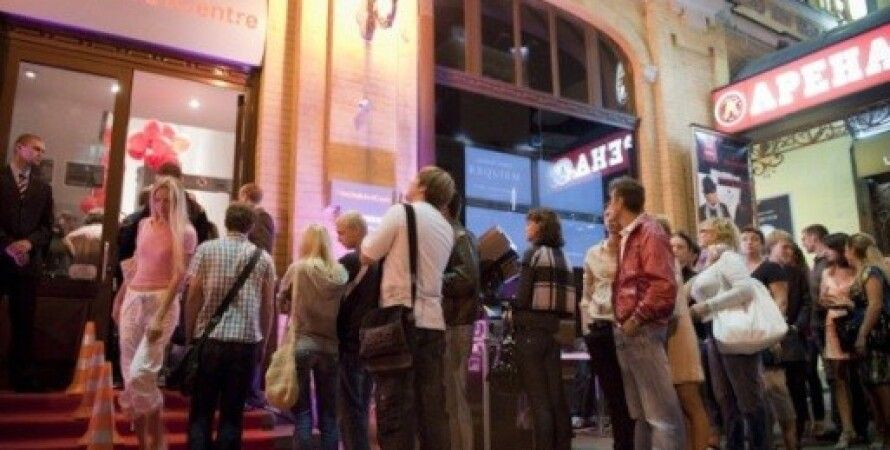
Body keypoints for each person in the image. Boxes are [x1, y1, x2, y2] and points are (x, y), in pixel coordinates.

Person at [360, 166, 456, 450]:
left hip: (401, 322)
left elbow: (367, 253)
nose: (409, 182)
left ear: (423, 187)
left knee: (394, 407)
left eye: (414, 178)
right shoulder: (446, 228)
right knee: (431, 409)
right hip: (434, 323)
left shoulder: (401, 212)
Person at [113, 176, 197, 450]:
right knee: (130, 375)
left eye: (167, 200)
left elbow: (179, 275)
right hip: (133, 296)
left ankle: (158, 436)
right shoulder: (143, 225)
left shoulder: (185, 232)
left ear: (177, 202)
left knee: (142, 373)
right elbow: (136, 263)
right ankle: (144, 443)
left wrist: (160, 315)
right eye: (156, 199)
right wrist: (120, 297)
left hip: (162, 300)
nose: (160, 205)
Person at [184, 202, 276, 450]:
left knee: (201, 411)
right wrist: (264, 341)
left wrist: (190, 335)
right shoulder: (264, 259)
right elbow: (267, 307)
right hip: (245, 343)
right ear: (251, 226)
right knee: (233, 414)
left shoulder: (205, 250)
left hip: (209, 340)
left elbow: (194, 296)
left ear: (226, 222)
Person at [605, 176, 685, 450]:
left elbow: (663, 286)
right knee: (641, 416)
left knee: (661, 417)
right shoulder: (630, 235)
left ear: (619, 201)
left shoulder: (650, 232)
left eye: (611, 200)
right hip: (630, 330)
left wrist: (636, 318)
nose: (609, 207)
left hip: (643, 330)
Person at [690, 218, 768, 450]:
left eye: (705, 230)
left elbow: (745, 290)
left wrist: (708, 306)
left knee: (748, 397)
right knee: (725, 398)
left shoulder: (729, 257)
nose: (700, 234)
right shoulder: (710, 260)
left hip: (733, 331)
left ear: (719, 233)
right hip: (715, 331)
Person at [512, 208, 575, 450]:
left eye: (529, 223)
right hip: (553, 333)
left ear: (540, 226)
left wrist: (508, 301)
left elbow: (522, 297)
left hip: (530, 333)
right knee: (555, 399)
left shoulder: (533, 253)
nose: (526, 228)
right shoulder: (563, 257)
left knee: (539, 403)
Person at [282, 224, 348, 450]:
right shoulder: (340, 273)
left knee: (302, 414)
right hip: (330, 347)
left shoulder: (298, 269)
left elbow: (282, 303)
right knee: (329, 416)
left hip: (302, 343)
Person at [0, 133, 53, 392]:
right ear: (19, 148)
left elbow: (47, 227)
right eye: (36, 148)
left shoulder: (43, 188)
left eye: (42, 150)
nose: (40, 154)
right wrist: (8, 245)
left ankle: (21, 378)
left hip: (27, 264)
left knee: (24, 322)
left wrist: (29, 244)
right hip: (0, 257)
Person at [579, 211, 635, 450]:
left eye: (616, 215)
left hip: (629, 328)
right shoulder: (593, 253)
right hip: (600, 329)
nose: (611, 220)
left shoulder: (633, 249)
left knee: (632, 395)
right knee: (613, 396)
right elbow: (586, 295)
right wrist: (587, 329)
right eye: (607, 216)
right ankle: (621, 444)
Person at [657, 219, 712, 450]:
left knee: (691, 402)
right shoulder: (663, 262)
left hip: (679, 337)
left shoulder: (668, 264)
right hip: (669, 337)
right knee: (680, 407)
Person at [740, 227, 796, 450]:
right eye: (745, 239)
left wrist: (775, 334)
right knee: (756, 394)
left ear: (762, 244)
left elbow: (781, 301)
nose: (749, 242)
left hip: (768, 333)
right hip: (744, 334)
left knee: (777, 390)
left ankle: (791, 442)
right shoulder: (737, 269)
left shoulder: (771, 268)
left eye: (754, 239)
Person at [334, 211, 380, 450]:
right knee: (361, 405)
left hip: (351, 342)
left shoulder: (351, 261)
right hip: (372, 341)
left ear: (355, 230)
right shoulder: (380, 261)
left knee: (350, 409)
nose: (338, 237)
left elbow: (328, 289)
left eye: (341, 232)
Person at [441, 194, 481, 450]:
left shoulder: (459, 236)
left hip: (456, 323)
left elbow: (466, 277)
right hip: (453, 322)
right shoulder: (455, 235)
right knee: (452, 398)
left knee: (456, 396)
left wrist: (432, 278)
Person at [767, 231, 812, 445]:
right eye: (784, 247)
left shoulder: (797, 272)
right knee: (771, 391)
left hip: (792, 338)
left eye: (791, 248)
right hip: (767, 340)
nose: (789, 251)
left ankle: (797, 439)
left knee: (796, 390)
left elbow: (806, 301)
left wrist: (796, 326)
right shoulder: (761, 272)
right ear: (771, 247)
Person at [845, 233, 890, 449]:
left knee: (881, 385)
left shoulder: (871, 272)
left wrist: (862, 334)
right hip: (870, 333)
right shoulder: (863, 272)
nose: (845, 254)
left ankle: (887, 434)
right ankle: (882, 431)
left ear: (853, 250)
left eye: (846, 249)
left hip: (876, 336)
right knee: (872, 385)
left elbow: (875, 305)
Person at [237, 182, 277, 410]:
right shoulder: (258, 217)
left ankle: (251, 392)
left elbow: (263, 250)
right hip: (248, 284)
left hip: (255, 285)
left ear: (244, 195)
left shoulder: (261, 218)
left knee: (255, 337)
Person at [819, 232, 859, 447]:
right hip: (834, 326)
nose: (825, 252)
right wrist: (829, 302)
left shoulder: (857, 269)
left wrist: (847, 303)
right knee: (839, 378)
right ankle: (847, 429)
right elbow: (822, 299)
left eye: (829, 248)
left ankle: (873, 425)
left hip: (856, 324)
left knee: (862, 377)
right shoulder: (827, 272)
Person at [801, 224, 831, 437]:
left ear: (814, 237)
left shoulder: (828, 260)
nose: (803, 243)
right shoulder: (817, 262)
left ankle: (845, 424)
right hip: (816, 326)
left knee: (836, 376)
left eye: (805, 238)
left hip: (828, 325)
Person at [238, 183, 275, 254]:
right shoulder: (258, 217)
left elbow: (261, 247)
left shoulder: (261, 218)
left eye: (240, 198)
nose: (239, 202)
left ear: (245, 197)